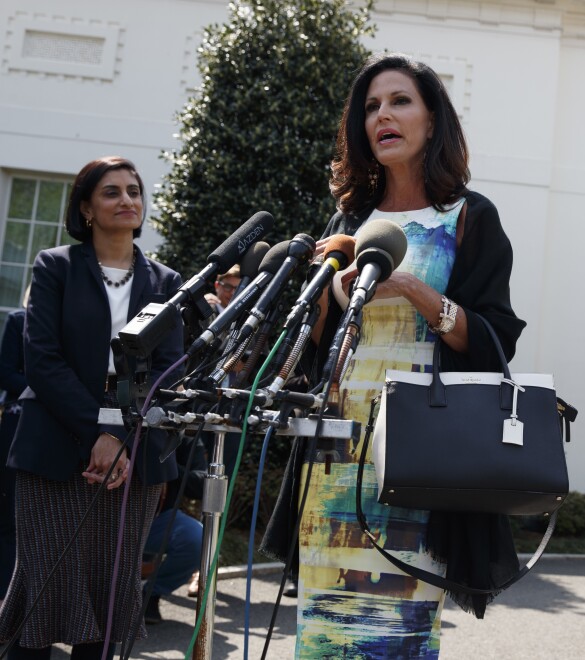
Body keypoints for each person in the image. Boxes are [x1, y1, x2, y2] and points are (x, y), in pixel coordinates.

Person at [269, 53, 526, 657]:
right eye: (371, 106)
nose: (383, 114)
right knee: (324, 636)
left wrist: (414, 288)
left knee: (397, 637)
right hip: (333, 453)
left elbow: (495, 336)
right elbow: (314, 337)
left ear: (432, 121)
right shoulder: (350, 218)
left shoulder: (469, 216)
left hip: (419, 455)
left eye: (400, 101)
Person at [0, 157, 184, 658]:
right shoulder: (55, 266)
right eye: (111, 192)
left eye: (134, 191)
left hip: (134, 461)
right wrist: (98, 431)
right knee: (40, 596)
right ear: (85, 208)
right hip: (57, 449)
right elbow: (41, 360)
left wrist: (119, 437)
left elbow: (170, 370)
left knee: (107, 606)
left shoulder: (166, 282)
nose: (127, 200)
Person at [141, 433, 208, 625]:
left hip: (157, 518)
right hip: (110, 515)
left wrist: (168, 465)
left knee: (197, 539)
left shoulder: (185, 436)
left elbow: (200, 485)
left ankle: (151, 594)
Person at [0, 295, 26, 602]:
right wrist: (46, 385)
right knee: (7, 519)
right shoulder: (18, 321)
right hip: (16, 422)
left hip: (56, 430)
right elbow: (5, 370)